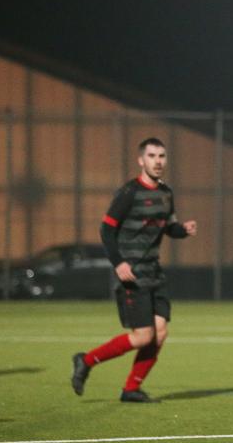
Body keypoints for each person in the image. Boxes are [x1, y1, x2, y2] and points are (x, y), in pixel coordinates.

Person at [71, 137, 197, 402]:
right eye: (152, 156)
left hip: (155, 272)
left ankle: (131, 389)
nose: (158, 161)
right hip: (133, 273)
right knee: (142, 337)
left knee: (160, 332)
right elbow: (106, 229)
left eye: (162, 156)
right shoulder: (129, 193)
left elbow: (168, 227)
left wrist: (182, 230)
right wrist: (119, 263)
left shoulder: (166, 193)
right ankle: (87, 360)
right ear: (141, 160)